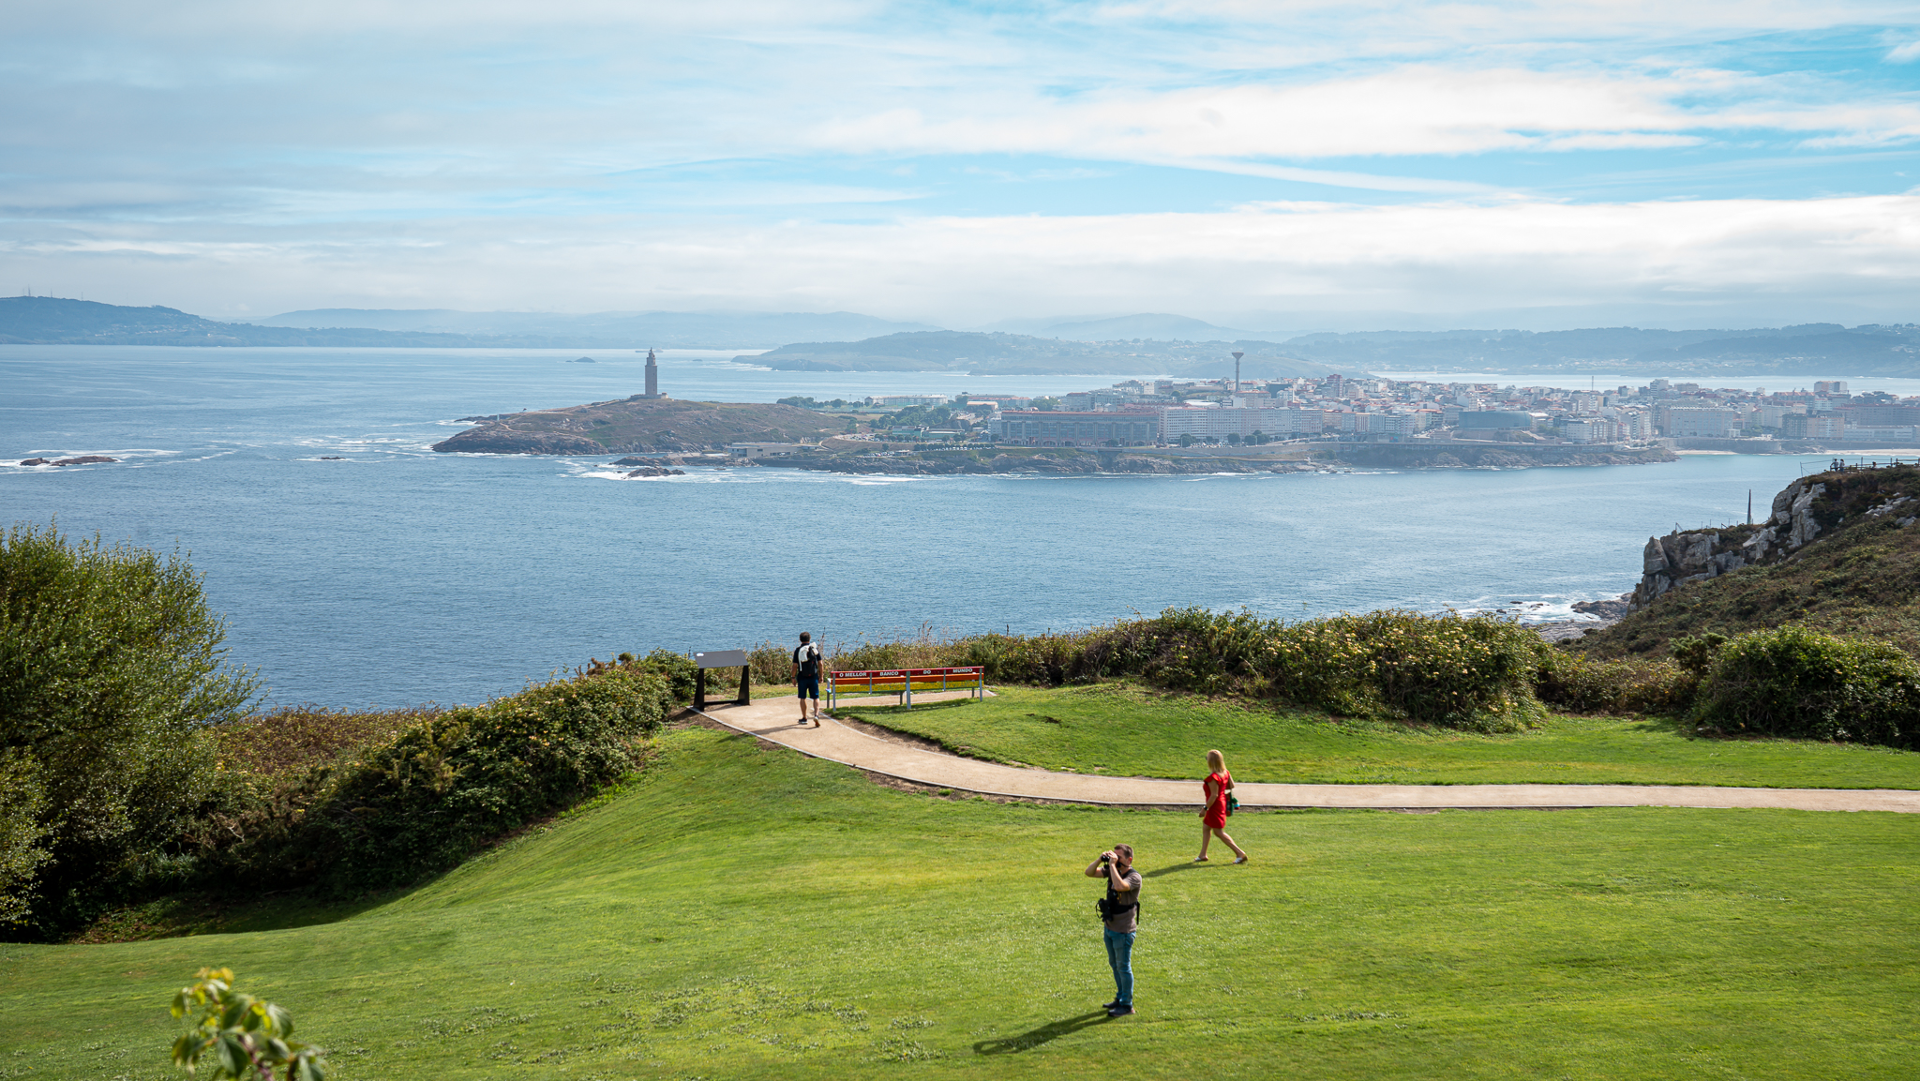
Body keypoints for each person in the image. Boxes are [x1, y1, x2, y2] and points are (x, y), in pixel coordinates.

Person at [1083, 843, 1141, 1017]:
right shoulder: (1112, 870)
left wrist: (1113, 866)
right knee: (1115, 965)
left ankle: (1127, 1005)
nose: (1114, 860)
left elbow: (1119, 886)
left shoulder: (1135, 877)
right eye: (1113, 856)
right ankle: (1120, 997)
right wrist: (1100, 859)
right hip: (1110, 927)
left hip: (1123, 931)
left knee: (1123, 967)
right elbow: (1089, 872)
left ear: (1129, 859)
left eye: (1119, 857)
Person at [1196, 749, 1248, 864]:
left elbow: (1214, 795)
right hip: (1222, 803)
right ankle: (1203, 854)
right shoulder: (1225, 772)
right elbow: (1231, 785)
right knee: (1206, 827)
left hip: (1214, 806)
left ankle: (1240, 853)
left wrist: (1205, 809)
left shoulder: (1213, 777)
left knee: (1218, 832)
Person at [791, 632, 824, 726]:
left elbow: (795, 666)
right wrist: (821, 676)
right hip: (813, 676)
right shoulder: (814, 649)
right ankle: (816, 715)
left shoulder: (798, 650)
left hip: (802, 677)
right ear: (809, 639)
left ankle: (804, 718)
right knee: (816, 697)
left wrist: (793, 677)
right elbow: (820, 663)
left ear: (800, 639)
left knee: (802, 698)